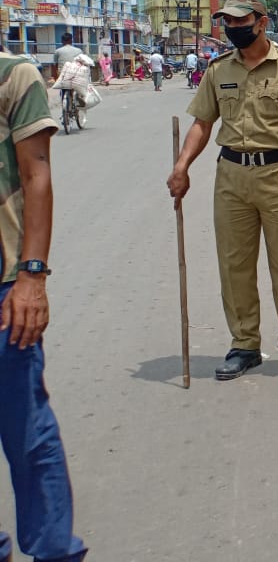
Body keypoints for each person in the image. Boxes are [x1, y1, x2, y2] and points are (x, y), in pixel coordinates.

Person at [166, 0, 278, 382]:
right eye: (228, 22)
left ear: (262, 21)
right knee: (234, 266)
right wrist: (182, 166)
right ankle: (244, 345)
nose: (234, 28)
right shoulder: (219, 70)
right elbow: (202, 124)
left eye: (241, 21)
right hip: (231, 177)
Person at [0, 50, 88, 562]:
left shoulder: (16, 76)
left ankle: (54, 549)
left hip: (7, 283)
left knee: (25, 426)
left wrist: (32, 276)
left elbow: (36, 176)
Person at [52, 32, 83, 110]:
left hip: (63, 74)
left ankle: (64, 108)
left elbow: (54, 65)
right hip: (75, 74)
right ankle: (76, 104)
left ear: (62, 41)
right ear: (71, 40)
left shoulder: (58, 51)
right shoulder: (78, 50)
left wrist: (55, 77)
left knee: (63, 88)